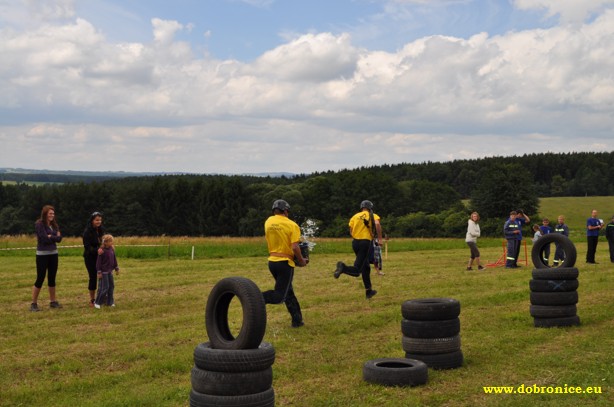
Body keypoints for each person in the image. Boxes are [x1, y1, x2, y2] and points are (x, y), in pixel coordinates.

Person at [262, 200, 308, 328]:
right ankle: (256, 298)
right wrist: (301, 260)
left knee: (288, 291)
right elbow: (294, 247)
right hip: (285, 263)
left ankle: (297, 321)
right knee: (279, 296)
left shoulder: (268, 222)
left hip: (272, 262)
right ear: (286, 211)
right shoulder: (292, 225)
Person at [334, 200, 383, 299]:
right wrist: (380, 238)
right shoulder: (372, 215)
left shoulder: (354, 216)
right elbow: (377, 224)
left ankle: (369, 291)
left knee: (365, 267)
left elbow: (351, 231)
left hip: (355, 243)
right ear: (370, 208)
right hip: (365, 243)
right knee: (357, 270)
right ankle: (343, 267)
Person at [31, 205, 63, 311]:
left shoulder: (54, 225)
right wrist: (53, 236)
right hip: (42, 255)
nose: (52, 215)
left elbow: (59, 239)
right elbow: (44, 238)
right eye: (50, 213)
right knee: (40, 278)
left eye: (53, 213)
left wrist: (51, 236)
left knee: (52, 278)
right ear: (45, 214)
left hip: (54, 254)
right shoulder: (39, 224)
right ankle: (33, 304)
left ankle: (53, 302)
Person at [83, 211, 105, 307]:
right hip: (90, 257)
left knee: (103, 276)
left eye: (100, 220)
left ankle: (102, 297)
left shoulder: (101, 230)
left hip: (100, 257)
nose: (98, 222)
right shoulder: (87, 232)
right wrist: (97, 250)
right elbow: (87, 247)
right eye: (96, 220)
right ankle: (92, 300)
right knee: (93, 277)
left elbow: (103, 241)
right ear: (92, 220)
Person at [94, 234, 120, 309]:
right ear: (105, 242)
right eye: (110, 241)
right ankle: (97, 302)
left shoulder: (112, 249)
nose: (112, 242)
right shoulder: (101, 251)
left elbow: (114, 259)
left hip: (110, 272)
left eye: (112, 241)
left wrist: (116, 268)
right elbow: (98, 262)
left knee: (111, 287)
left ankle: (110, 302)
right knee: (105, 287)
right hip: (103, 273)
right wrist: (99, 272)